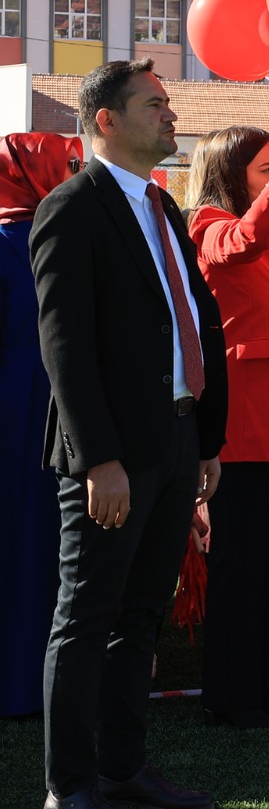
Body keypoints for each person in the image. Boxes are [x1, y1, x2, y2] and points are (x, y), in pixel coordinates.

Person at [32, 60, 228, 808]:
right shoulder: (72, 207)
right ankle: (70, 786)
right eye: (156, 104)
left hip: (178, 444)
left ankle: (122, 770)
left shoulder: (161, 206)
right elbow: (66, 347)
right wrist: (99, 459)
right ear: (105, 120)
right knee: (86, 617)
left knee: (141, 617)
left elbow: (194, 327)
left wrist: (206, 443)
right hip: (111, 457)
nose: (172, 115)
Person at [186, 121, 269, 729]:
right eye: (264, 170)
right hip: (239, 429)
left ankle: (263, 693)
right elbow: (240, 241)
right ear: (228, 175)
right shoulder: (209, 227)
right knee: (240, 570)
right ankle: (230, 697)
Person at [0, 132, 79, 722]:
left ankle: (35, 683)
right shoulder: (16, 243)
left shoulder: (61, 236)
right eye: (63, 164)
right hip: (27, 412)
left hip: (46, 409)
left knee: (46, 546)